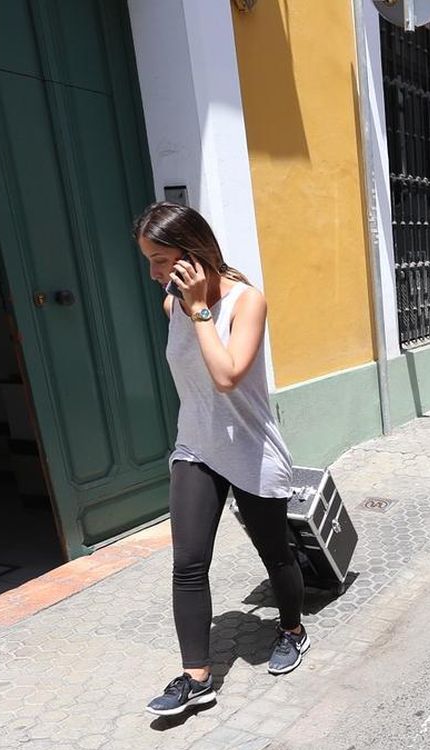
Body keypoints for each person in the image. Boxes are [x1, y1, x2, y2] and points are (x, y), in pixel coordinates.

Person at [133, 202, 310, 716]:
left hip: (252, 449)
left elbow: (227, 375)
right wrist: (184, 305)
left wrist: (200, 312)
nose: (154, 273)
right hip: (196, 446)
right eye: (148, 260)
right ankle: (197, 678)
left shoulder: (246, 301)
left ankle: (292, 629)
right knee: (188, 564)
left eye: (161, 259)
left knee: (275, 554)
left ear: (193, 253)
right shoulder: (171, 304)